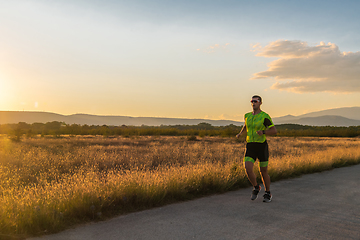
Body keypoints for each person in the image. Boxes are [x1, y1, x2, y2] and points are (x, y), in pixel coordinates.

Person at [236, 95, 277, 203]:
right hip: (250, 145)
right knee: (248, 168)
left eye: (255, 101)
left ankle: (267, 192)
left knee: (263, 171)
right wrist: (241, 133)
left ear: (260, 103)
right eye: (252, 101)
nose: (253, 103)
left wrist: (263, 132)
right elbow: (246, 126)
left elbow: (274, 130)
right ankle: (256, 187)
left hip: (261, 146)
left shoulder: (264, 116)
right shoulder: (247, 115)